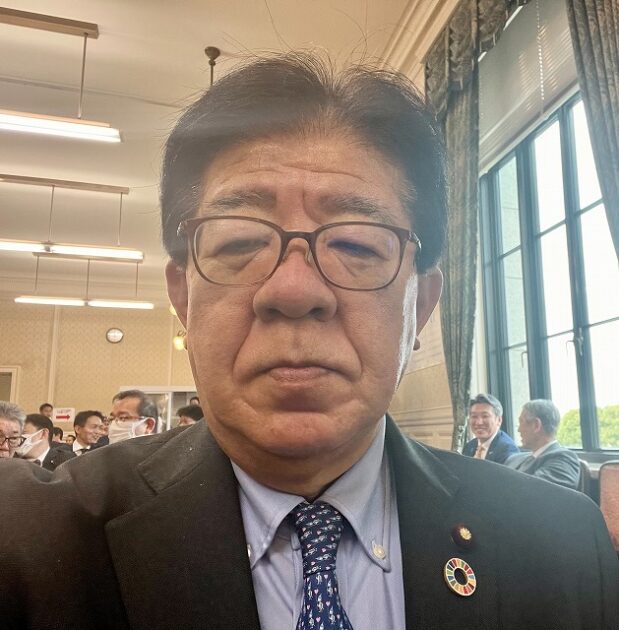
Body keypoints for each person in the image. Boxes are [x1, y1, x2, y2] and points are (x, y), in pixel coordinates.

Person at [0, 54, 616, 629]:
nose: (293, 289)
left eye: (354, 243)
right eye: (241, 241)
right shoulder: (30, 543)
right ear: (183, 297)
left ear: (423, 305)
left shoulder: (561, 545)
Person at [506, 399, 581, 490]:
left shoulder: (563, 459)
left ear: (536, 425)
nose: (519, 430)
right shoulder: (515, 458)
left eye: (521, 422)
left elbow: (533, 492)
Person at [462, 393, 519, 463]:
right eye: (474, 416)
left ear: (499, 420)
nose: (479, 422)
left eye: (485, 416)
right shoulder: (469, 446)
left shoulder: (507, 449)